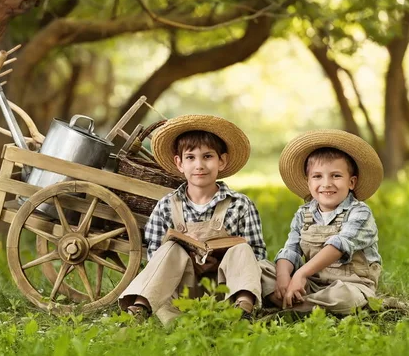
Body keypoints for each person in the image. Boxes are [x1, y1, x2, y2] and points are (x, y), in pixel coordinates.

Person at [119, 114, 267, 324]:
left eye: (207, 156)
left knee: (243, 250)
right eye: (190, 157)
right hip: (180, 291)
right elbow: (155, 257)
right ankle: (141, 307)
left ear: (221, 161)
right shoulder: (166, 206)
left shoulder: (240, 205)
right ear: (179, 163)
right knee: (169, 249)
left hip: (225, 290)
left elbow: (258, 255)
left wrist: (223, 256)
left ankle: (243, 310)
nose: (199, 165)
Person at [260, 129, 384, 315]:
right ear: (309, 183)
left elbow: (339, 246)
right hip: (312, 284)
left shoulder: (360, 212)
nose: (326, 183)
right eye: (317, 176)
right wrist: (284, 278)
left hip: (352, 285)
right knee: (259, 268)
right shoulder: (303, 214)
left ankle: (289, 307)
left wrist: (301, 274)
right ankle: (297, 301)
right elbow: (291, 250)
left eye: (336, 176)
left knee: (346, 299)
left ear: (351, 182)